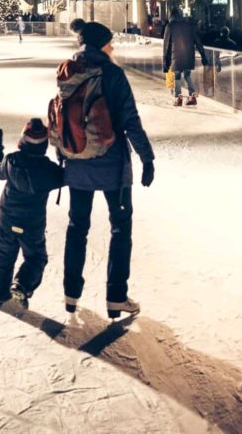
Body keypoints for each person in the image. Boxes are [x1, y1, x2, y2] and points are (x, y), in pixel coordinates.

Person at [62, 22, 155, 320]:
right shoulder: (113, 74)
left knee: (77, 229)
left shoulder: (68, 69)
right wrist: (147, 157)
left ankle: (71, 293)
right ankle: (116, 297)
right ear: (102, 44)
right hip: (112, 166)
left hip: (77, 162)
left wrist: (63, 154)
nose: (113, 48)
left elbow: (64, 116)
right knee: (120, 228)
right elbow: (130, 119)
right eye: (110, 43)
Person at [0, 120, 64, 308]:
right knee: (36, 257)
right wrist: (62, 153)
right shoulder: (49, 170)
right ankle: (22, 284)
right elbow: (67, 176)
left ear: (22, 142)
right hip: (32, 223)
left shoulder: (11, 161)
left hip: (7, 217)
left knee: (3, 254)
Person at [163, 8, 208, 106]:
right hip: (189, 56)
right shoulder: (189, 25)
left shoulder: (170, 26)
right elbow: (198, 42)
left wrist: (165, 62)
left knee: (177, 76)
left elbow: (166, 46)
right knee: (187, 75)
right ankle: (192, 95)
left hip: (176, 56)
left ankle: (178, 97)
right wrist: (203, 55)